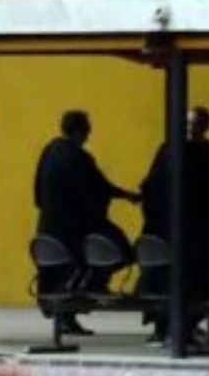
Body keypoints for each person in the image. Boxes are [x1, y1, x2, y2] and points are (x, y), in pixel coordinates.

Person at [33, 110, 139, 336]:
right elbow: (97, 188)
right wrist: (125, 196)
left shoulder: (50, 150)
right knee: (122, 250)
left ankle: (67, 315)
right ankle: (93, 287)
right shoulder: (79, 158)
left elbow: (38, 190)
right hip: (74, 228)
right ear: (81, 132)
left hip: (48, 228)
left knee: (63, 272)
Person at [138, 106, 209, 343]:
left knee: (170, 276)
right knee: (170, 275)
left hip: (176, 227)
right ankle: (169, 325)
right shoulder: (198, 152)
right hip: (177, 228)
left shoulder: (174, 150)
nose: (191, 128)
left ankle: (171, 325)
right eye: (189, 123)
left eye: (195, 123)